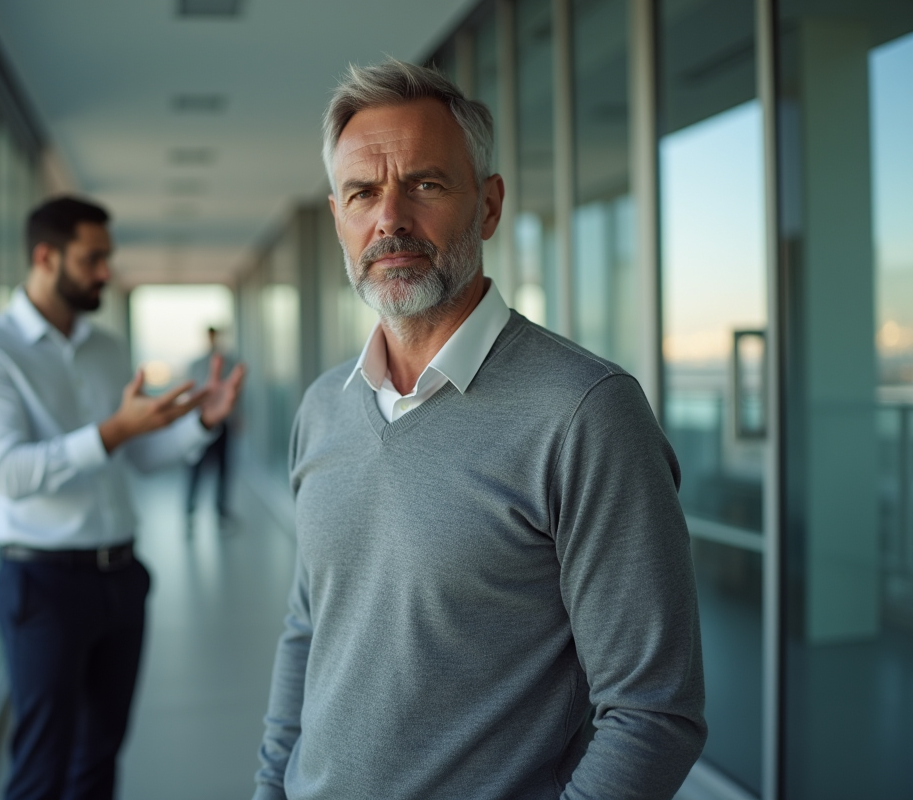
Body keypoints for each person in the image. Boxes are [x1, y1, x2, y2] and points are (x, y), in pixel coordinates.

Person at [252, 60, 705, 800]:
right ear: (339, 216)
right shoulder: (322, 407)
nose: (390, 218)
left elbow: (653, 712)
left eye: (425, 185)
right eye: (363, 193)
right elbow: (309, 630)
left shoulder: (585, 412)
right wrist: (271, 787)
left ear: (488, 206)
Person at [0, 196, 244, 800]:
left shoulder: (106, 349)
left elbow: (134, 457)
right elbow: (9, 473)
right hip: (44, 586)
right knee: (40, 768)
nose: (106, 272)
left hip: (122, 578)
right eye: (93, 258)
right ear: (45, 257)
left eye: (108, 257)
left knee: (100, 759)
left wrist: (200, 425)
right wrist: (115, 430)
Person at [185, 326, 237, 533]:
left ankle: (221, 512)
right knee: (195, 470)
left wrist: (237, 417)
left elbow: (235, 395)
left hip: (223, 425)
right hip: (200, 424)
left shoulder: (229, 362)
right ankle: (189, 513)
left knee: (224, 469)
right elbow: (191, 395)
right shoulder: (197, 364)